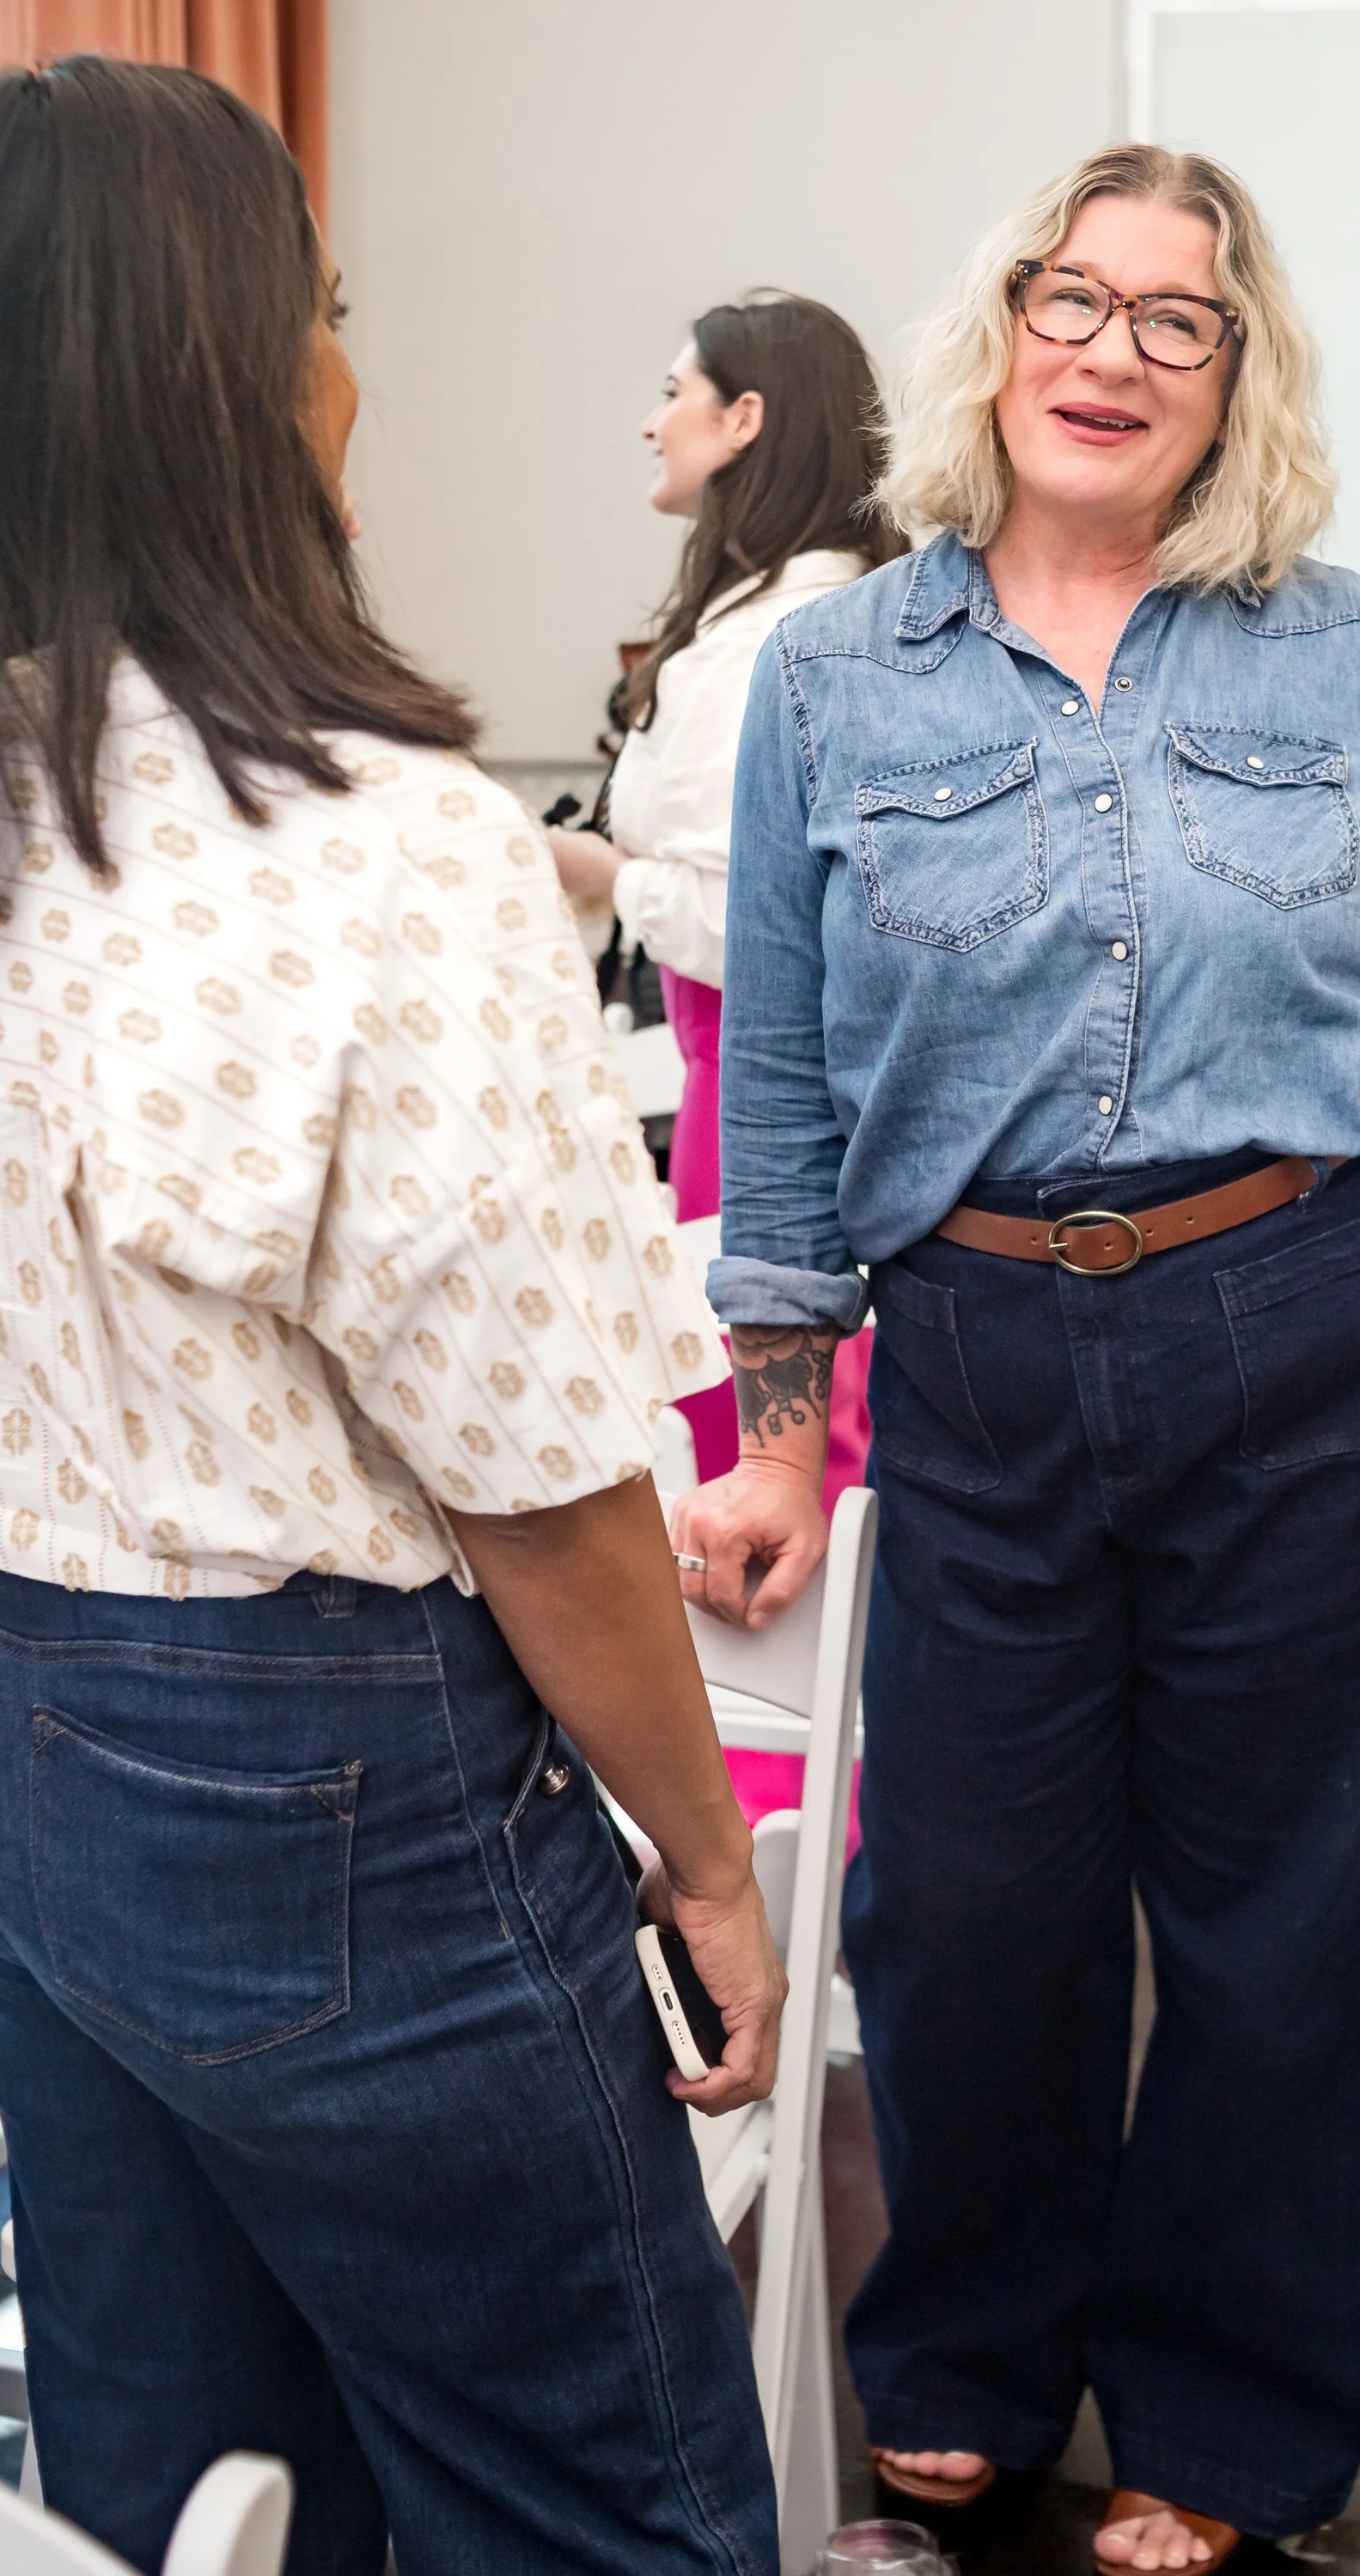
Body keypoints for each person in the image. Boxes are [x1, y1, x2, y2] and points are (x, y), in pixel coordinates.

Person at [0, 59, 783, 2576]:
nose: (351, 366)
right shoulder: (376, 841)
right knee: (597, 2500)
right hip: (300, 1781)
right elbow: (542, 1480)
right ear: (226, 376)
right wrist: (708, 1858)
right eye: (322, 312)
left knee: (179, 2476)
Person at [674, 144, 1360, 2574]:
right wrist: (779, 1428)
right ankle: (969, 2350)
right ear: (996, 334)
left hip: (1314, 1317)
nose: (1109, 349)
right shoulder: (836, 670)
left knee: (1288, 1914)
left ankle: (1225, 2405)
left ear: (1235, 386)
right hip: (981, 1344)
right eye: (1069, 298)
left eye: (1172, 322)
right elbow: (777, 1088)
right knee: (970, 1905)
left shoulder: (1342, 649)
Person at [548, 299, 899, 1820]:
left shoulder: (761, 646)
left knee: (758, 1489)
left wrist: (589, 876)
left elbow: (743, 923)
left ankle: (763, 1837)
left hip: (748, 1110)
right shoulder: (859, 617)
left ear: (748, 416)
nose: (651, 418)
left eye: (671, 388)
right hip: (818, 1103)